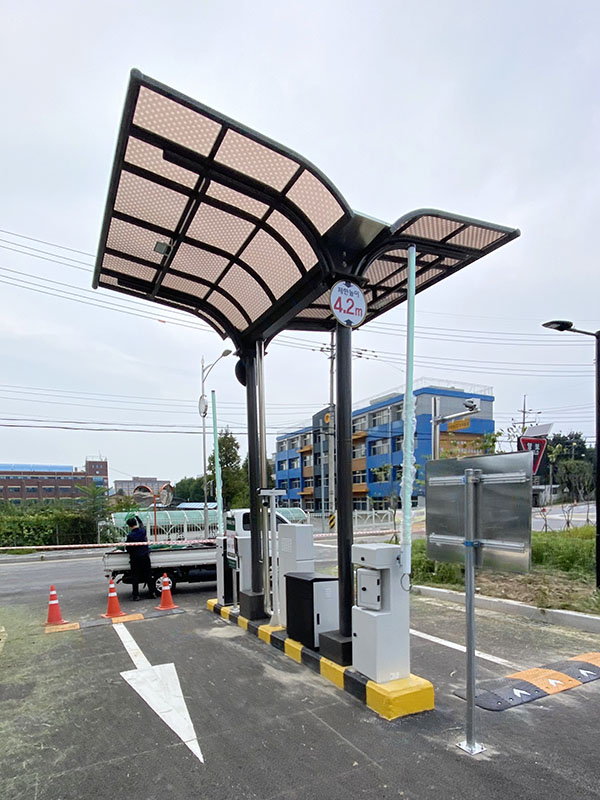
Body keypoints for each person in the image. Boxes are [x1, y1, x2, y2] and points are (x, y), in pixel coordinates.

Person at [125, 516, 158, 600]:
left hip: (135, 559)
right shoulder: (143, 531)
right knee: (148, 575)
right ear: (135, 523)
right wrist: (137, 517)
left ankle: (136, 595)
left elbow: (128, 548)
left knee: (135, 577)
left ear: (129, 526)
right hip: (145, 557)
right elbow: (141, 524)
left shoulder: (130, 536)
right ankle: (152, 593)